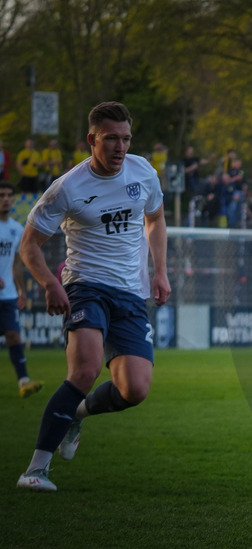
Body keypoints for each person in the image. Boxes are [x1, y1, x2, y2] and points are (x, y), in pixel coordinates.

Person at [15, 101, 170, 492]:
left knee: (135, 390)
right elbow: (29, 245)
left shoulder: (143, 172)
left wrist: (161, 271)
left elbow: (155, 218)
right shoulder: (67, 188)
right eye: (111, 139)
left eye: (126, 138)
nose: (120, 147)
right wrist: (51, 283)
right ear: (92, 140)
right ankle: (36, 469)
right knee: (84, 371)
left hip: (131, 294)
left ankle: (77, 415)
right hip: (85, 286)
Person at [0, 180, 41, 398]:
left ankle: (24, 381)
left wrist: (20, 289)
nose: (5, 199)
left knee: (14, 335)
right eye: (1, 195)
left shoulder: (16, 229)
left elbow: (16, 263)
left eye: (8, 195)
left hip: (7, 296)